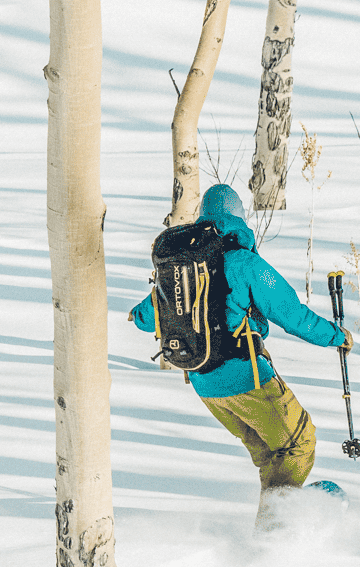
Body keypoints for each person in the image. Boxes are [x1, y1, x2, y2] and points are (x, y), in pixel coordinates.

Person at [130, 183, 348, 494]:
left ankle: (271, 532)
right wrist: (336, 336)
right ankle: (283, 527)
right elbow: (293, 315)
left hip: (205, 385)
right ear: (240, 219)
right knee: (300, 442)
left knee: (272, 459)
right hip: (246, 377)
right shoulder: (243, 262)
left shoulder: (185, 270)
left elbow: (143, 318)